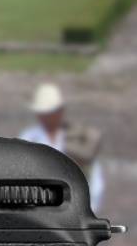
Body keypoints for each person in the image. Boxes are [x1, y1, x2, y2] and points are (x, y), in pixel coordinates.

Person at [19, 83, 105, 211]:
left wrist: (90, 209)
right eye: (43, 113)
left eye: (49, 112)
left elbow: (95, 178)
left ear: (60, 112)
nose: (45, 117)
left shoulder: (77, 138)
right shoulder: (28, 137)